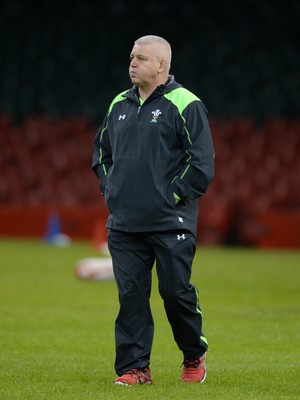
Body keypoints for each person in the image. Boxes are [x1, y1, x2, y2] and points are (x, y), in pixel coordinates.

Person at [92, 35, 215, 385]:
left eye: (141, 58)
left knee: (175, 292)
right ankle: (134, 367)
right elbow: (101, 153)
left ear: (162, 65)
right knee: (131, 296)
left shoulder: (186, 103)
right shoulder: (118, 102)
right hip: (124, 223)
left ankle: (193, 355)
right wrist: (111, 189)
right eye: (132, 56)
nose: (132, 63)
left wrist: (172, 197)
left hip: (169, 221)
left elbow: (202, 162)